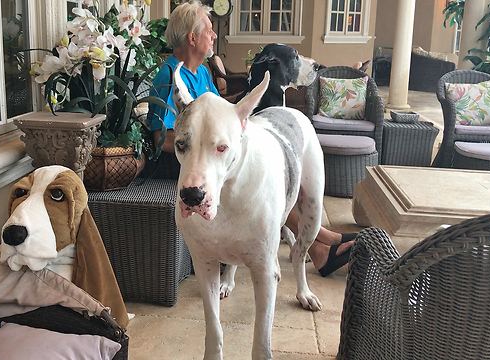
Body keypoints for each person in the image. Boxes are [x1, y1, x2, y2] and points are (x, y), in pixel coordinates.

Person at [148, 0, 355, 277]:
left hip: (214, 159)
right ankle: (324, 241)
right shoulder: (169, 77)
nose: (214, 36)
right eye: (209, 30)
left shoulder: (202, 72)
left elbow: (222, 116)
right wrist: (202, 148)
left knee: (264, 169)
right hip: (187, 168)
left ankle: (318, 244)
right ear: (192, 37)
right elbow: (161, 136)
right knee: (267, 186)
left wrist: (244, 106)